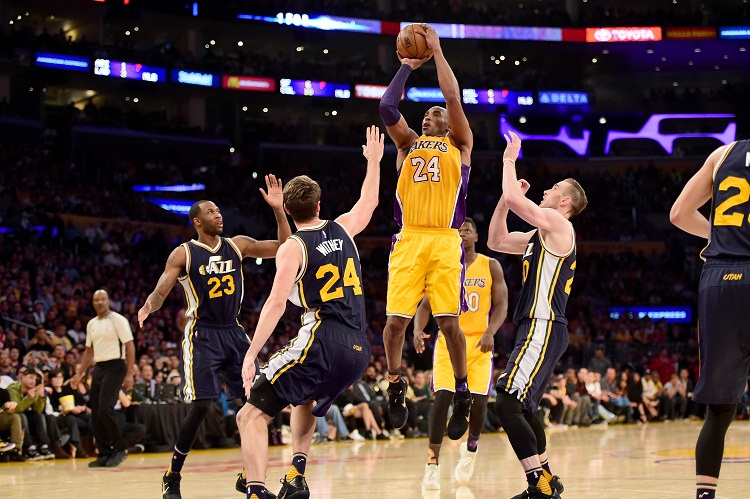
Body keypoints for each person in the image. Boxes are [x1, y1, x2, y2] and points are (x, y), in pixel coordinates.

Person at [236, 125, 383, 499]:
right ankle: (296, 475)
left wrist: (252, 353)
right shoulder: (344, 228)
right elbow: (369, 201)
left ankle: (255, 490)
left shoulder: (293, 248)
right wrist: (375, 162)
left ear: (287, 208)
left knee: (249, 415)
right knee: (303, 395)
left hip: (323, 337)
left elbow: (275, 302)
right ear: (320, 205)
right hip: (358, 350)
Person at [136, 176, 292, 499]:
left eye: (219, 210)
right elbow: (162, 288)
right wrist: (149, 306)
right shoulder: (184, 254)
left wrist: (279, 211)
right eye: (211, 212)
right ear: (197, 221)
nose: (218, 215)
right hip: (202, 335)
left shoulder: (238, 245)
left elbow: (284, 248)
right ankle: (173, 474)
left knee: (259, 402)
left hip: (234, 332)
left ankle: (249, 476)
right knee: (202, 405)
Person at [378, 22, 473, 438]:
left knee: (450, 324)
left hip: (445, 239)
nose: (429, 114)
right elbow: (386, 108)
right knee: (395, 323)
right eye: (426, 113)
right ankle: (395, 384)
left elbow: (452, 96)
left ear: (448, 124)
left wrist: (436, 52)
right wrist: (405, 68)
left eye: (436, 113)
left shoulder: (461, 144)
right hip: (410, 237)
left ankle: (464, 392)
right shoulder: (406, 145)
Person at [487, 131, 587, 499]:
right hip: (538, 327)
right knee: (525, 408)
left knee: (508, 401)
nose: (545, 190)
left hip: (543, 326)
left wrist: (509, 159)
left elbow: (518, 198)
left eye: (552, 188)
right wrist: (504, 199)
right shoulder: (538, 235)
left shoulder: (561, 226)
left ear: (563, 202)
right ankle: (549, 481)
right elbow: (496, 240)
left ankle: (539, 485)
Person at [670, 138, 750, 499]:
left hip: (720, 277)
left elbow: (678, 214)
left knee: (720, 409)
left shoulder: (723, 153)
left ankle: (705, 496)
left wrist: (718, 236)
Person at [413, 217, 508, 490]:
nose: (463, 234)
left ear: (476, 237)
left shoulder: (491, 265)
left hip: (479, 345)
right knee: (442, 399)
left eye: (467, 231)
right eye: (458, 232)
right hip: (448, 343)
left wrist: (491, 331)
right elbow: (424, 306)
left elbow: (501, 305)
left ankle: (471, 449)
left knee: (479, 404)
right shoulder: (444, 265)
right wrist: (418, 330)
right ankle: (432, 464)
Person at [70, 289, 135, 467]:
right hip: (99, 367)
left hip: (116, 366)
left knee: (106, 408)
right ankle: (104, 452)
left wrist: (129, 373)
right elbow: (89, 350)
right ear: (92, 303)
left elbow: (130, 346)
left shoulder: (118, 320)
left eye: (103, 299)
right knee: (96, 411)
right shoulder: (91, 323)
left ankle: (121, 448)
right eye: (96, 300)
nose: (100, 302)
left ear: (108, 301)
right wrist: (79, 374)